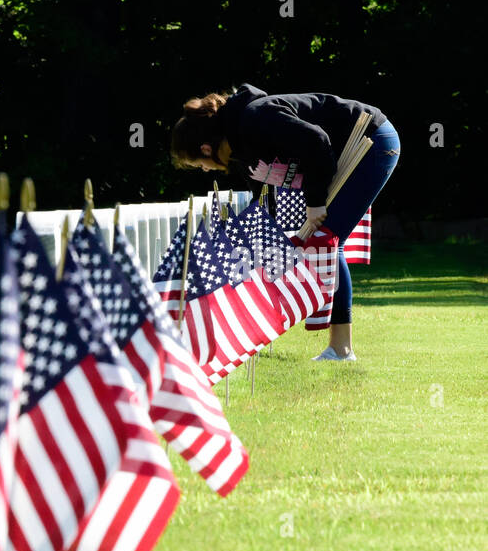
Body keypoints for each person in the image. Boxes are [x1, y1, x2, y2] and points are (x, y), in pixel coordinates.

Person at [170, 84, 400, 362]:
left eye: (199, 165)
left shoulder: (256, 118)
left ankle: (342, 350)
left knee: (327, 241)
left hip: (372, 140)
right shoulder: (241, 152)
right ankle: (339, 348)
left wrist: (314, 203)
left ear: (205, 148)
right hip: (339, 155)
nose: (205, 170)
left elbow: (316, 140)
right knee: (322, 242)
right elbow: (264, 203)